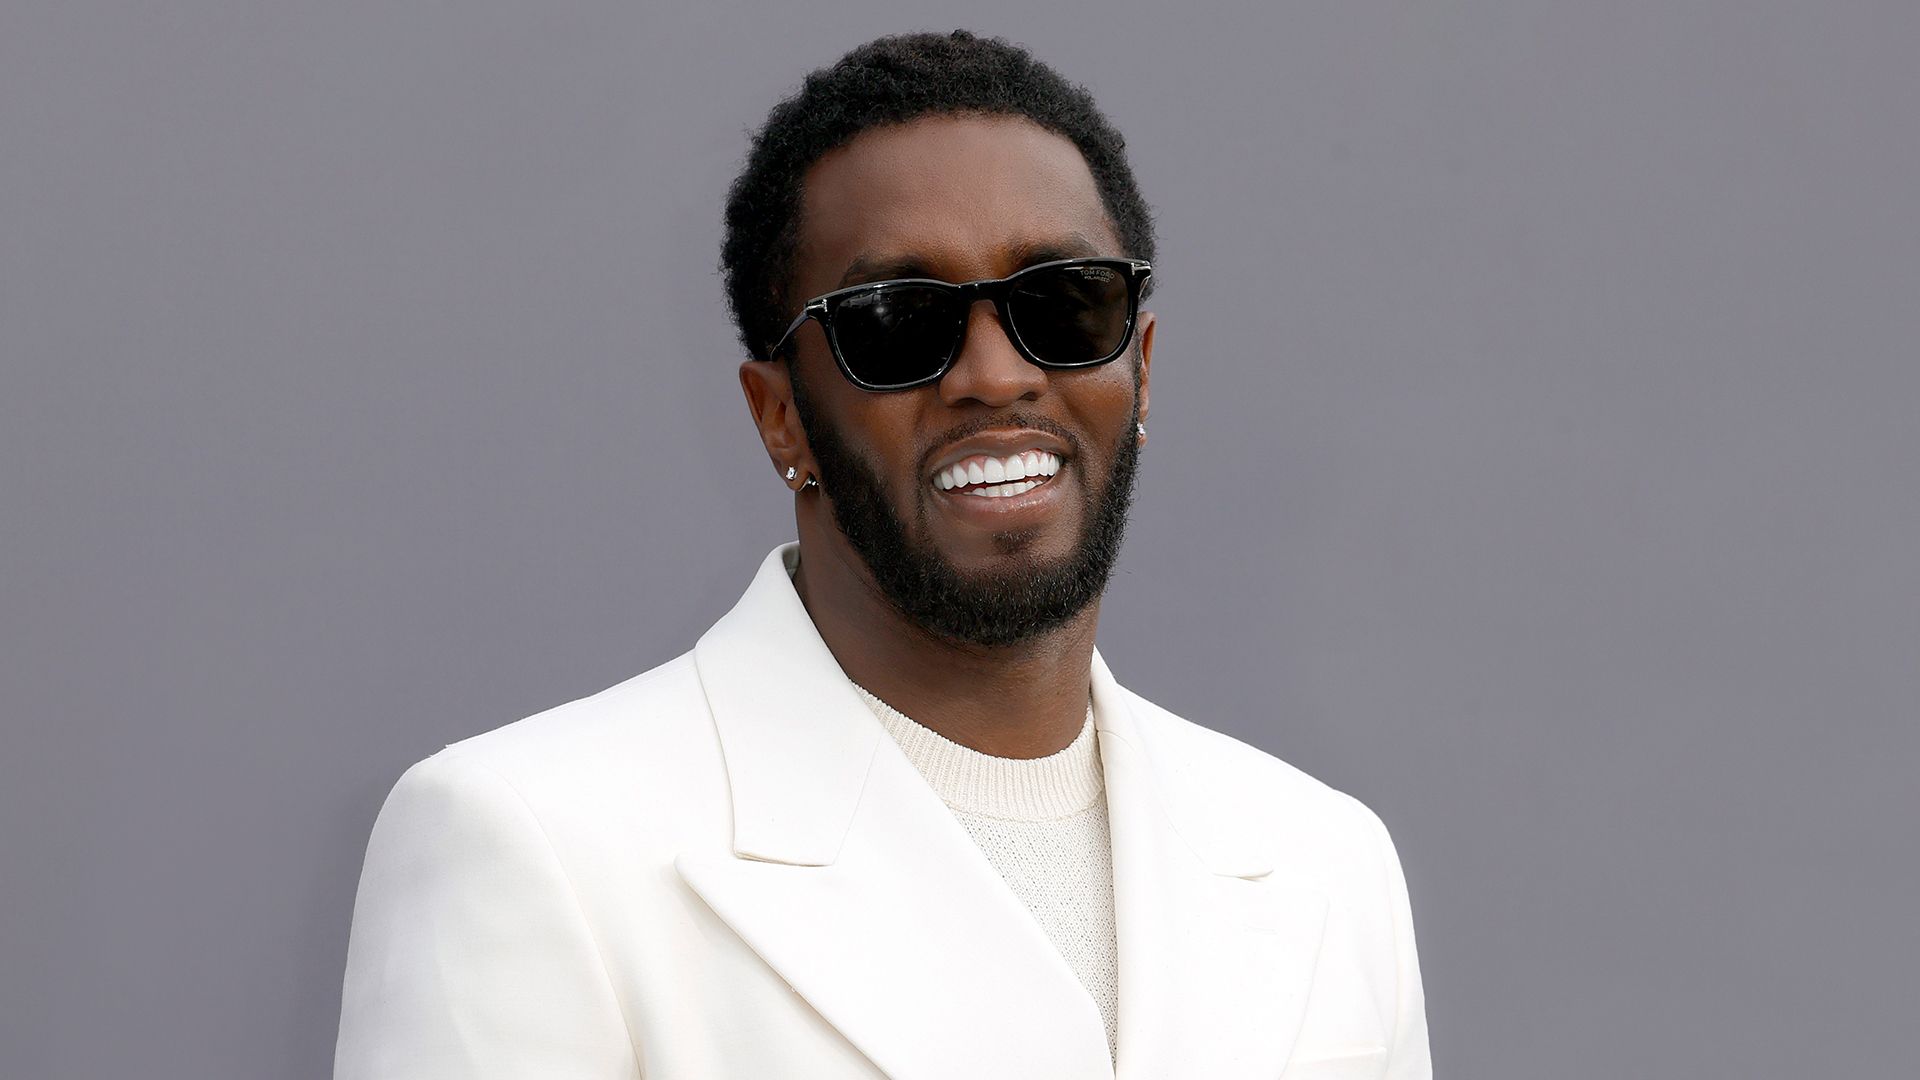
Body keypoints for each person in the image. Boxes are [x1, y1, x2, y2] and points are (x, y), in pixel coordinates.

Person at [334, 29, 1431, 1080]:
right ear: (781, 420)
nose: (996, 376)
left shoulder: (1327, 862)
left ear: (1140, 367)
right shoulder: (534, 847)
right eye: (898, 322)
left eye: (1063, 302)